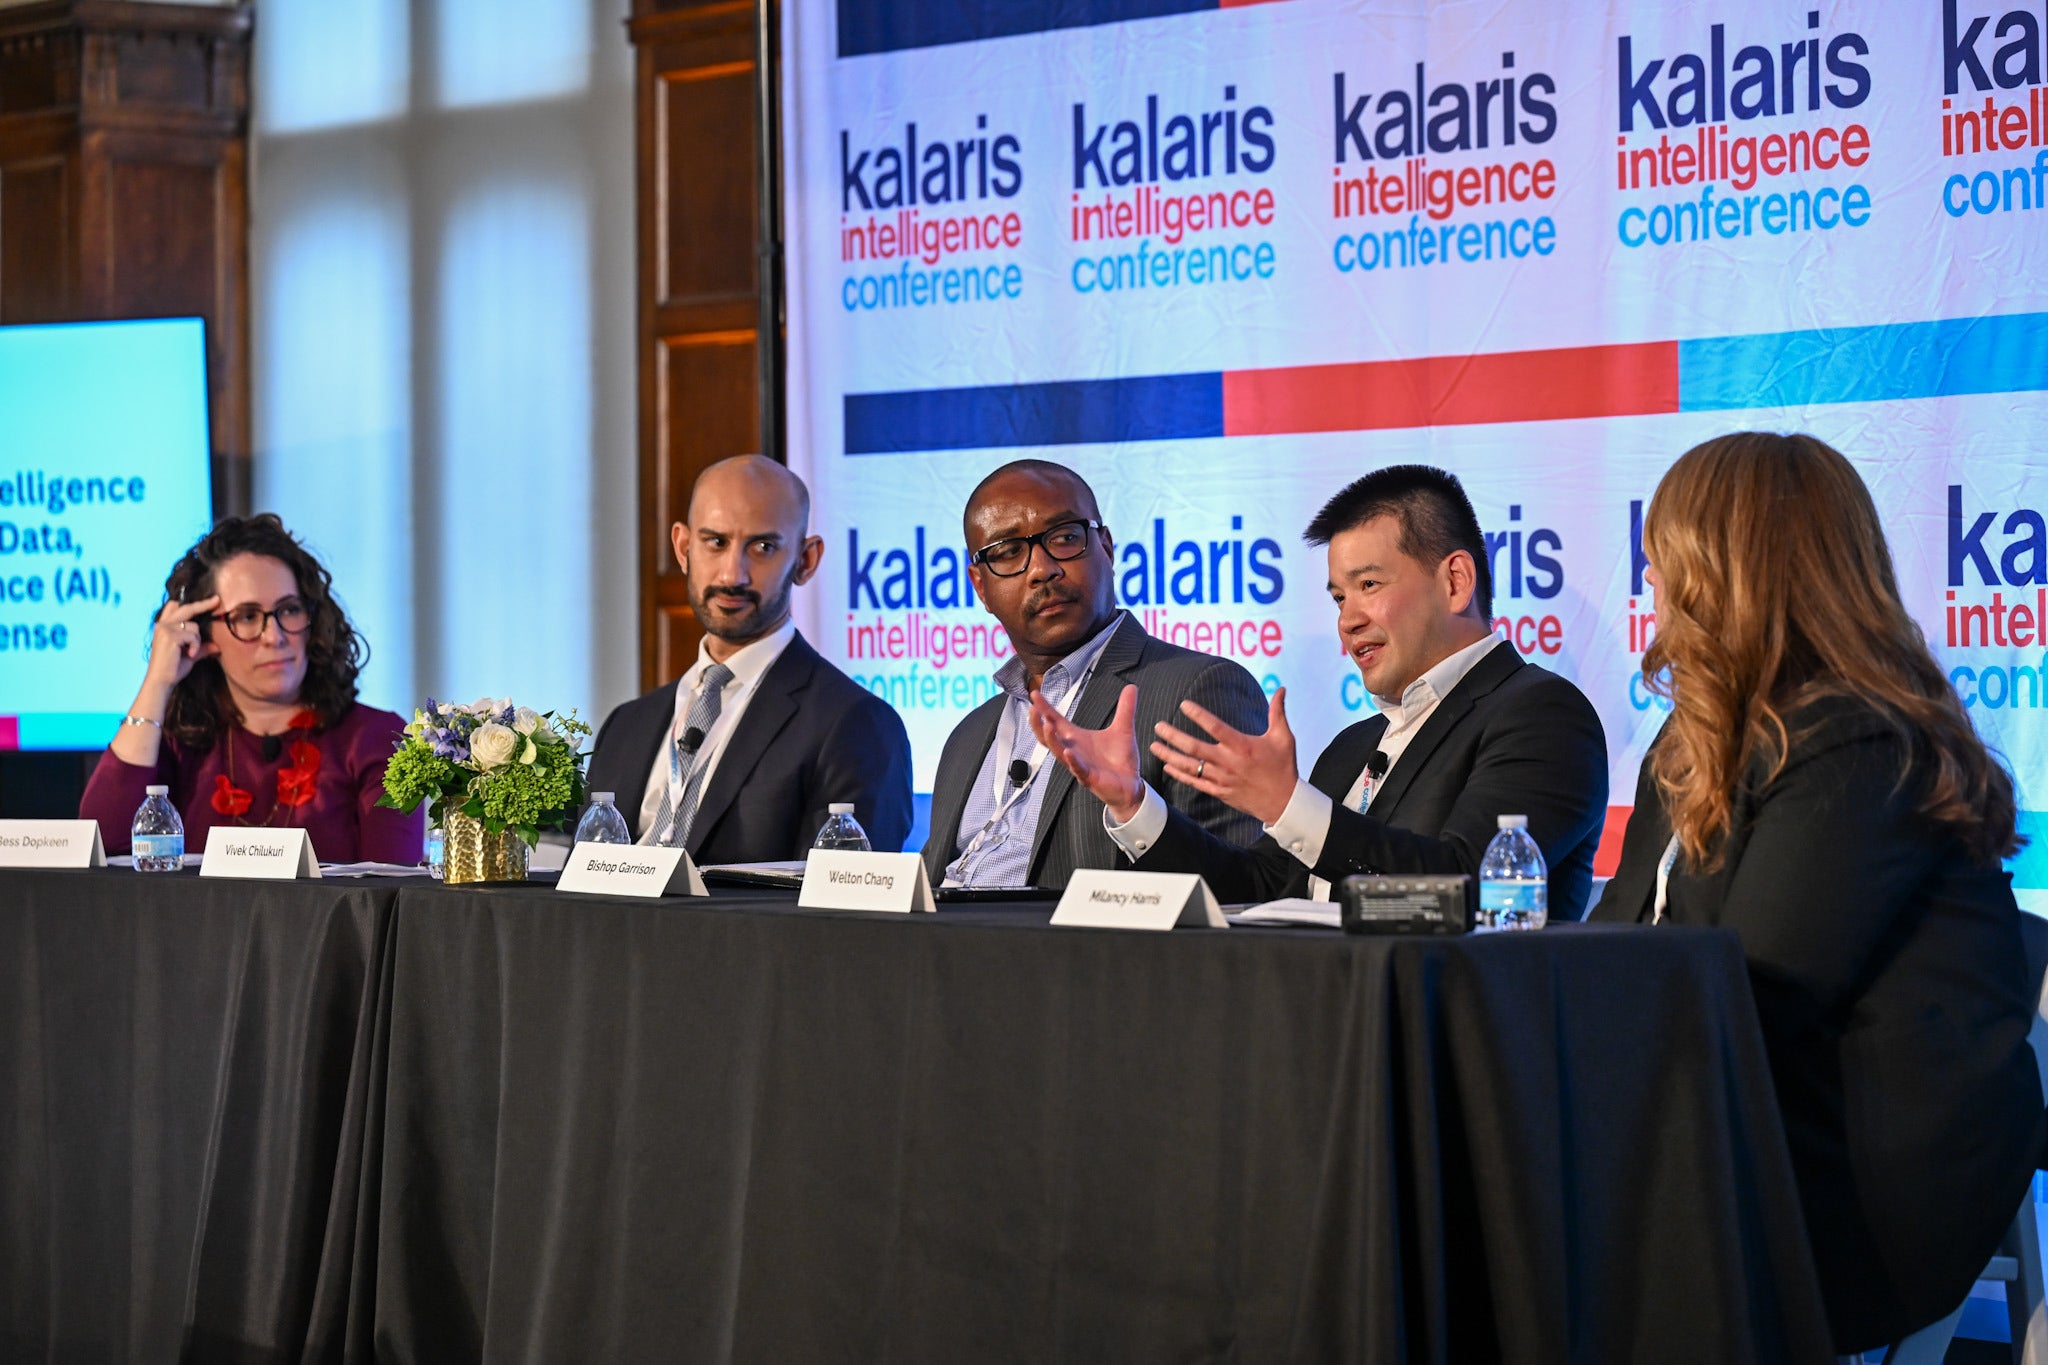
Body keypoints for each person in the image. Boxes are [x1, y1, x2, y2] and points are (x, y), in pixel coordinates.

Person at [1590, 432, 2045, 1352]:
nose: (1652, 590)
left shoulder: (1862, 741)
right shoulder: (1691, 738)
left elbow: (1754, 991)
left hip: (1853, 1173)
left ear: (1734, 570)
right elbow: (1615, 933)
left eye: (1666, 562)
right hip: (1731, 1125)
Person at [1032, 464, 1609, 914]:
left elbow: (1465, 884)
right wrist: (1133, 803)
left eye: (1369, 585)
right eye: (1338, 597)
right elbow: (1255, 889)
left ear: (1455, 581)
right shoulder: (1355, 745)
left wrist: (1288, 805)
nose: (1348, 619)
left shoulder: (1542, 713)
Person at [922, 459, 1268, 890]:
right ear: (980, 586)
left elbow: (1240, 894)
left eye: (1065, 538)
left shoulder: (1197, 691)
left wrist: (1137, 808)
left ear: (1106, 547)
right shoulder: (968, 736)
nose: (1041, 569)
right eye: (1008, 552)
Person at [584, 455, 912, 860]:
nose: (732, 575)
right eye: (716, 542)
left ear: (805, 560)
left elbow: (844, 914)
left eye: (762, 547)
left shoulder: (856, 726)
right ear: (684, 548)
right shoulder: (625, 726)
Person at [80, 514, 422, 862]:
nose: (274, 637)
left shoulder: (378, 740)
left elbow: (393, 893)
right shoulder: (179, 740)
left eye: (289, 609)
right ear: (202, 632)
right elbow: (105, 849)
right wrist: (157, 682)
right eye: (246, 616)